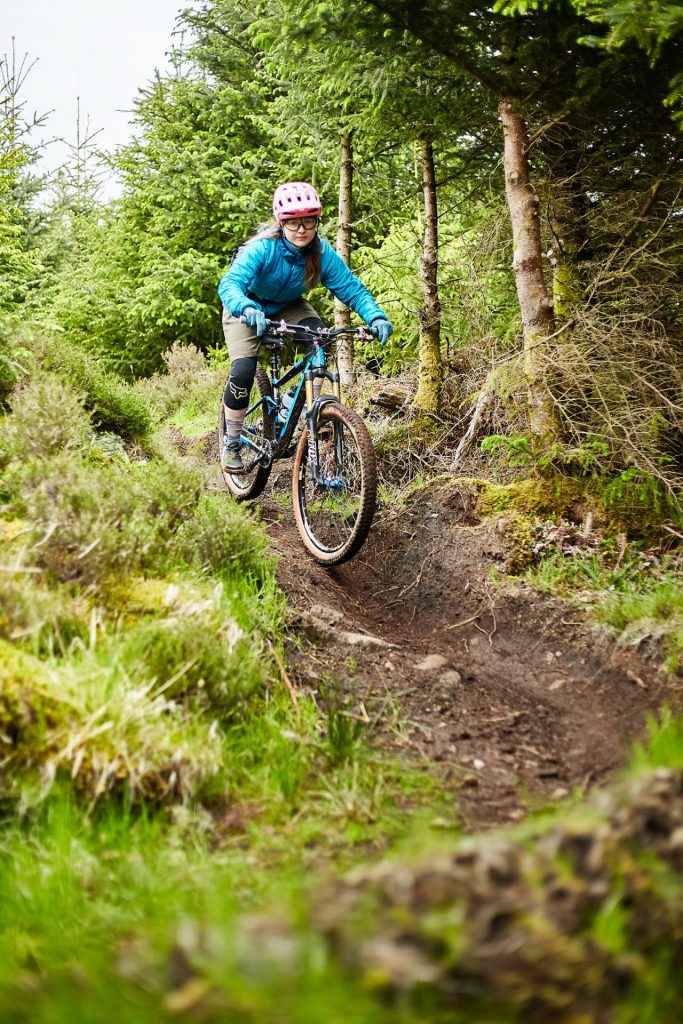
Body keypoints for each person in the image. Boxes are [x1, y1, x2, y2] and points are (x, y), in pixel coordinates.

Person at [217, 181, 393, 473]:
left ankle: (289, 409)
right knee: (244, 371)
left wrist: (375, 317)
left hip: (288, 304)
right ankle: (232, 443)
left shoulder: (320, 253)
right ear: (281, 223)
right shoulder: (262, 248)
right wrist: (246, 308)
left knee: (321, 343)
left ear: (316, 221)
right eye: (293, 222)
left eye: (308, 221)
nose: (301, 229)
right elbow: (230, 284)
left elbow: (352, 289)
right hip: (246, 305)